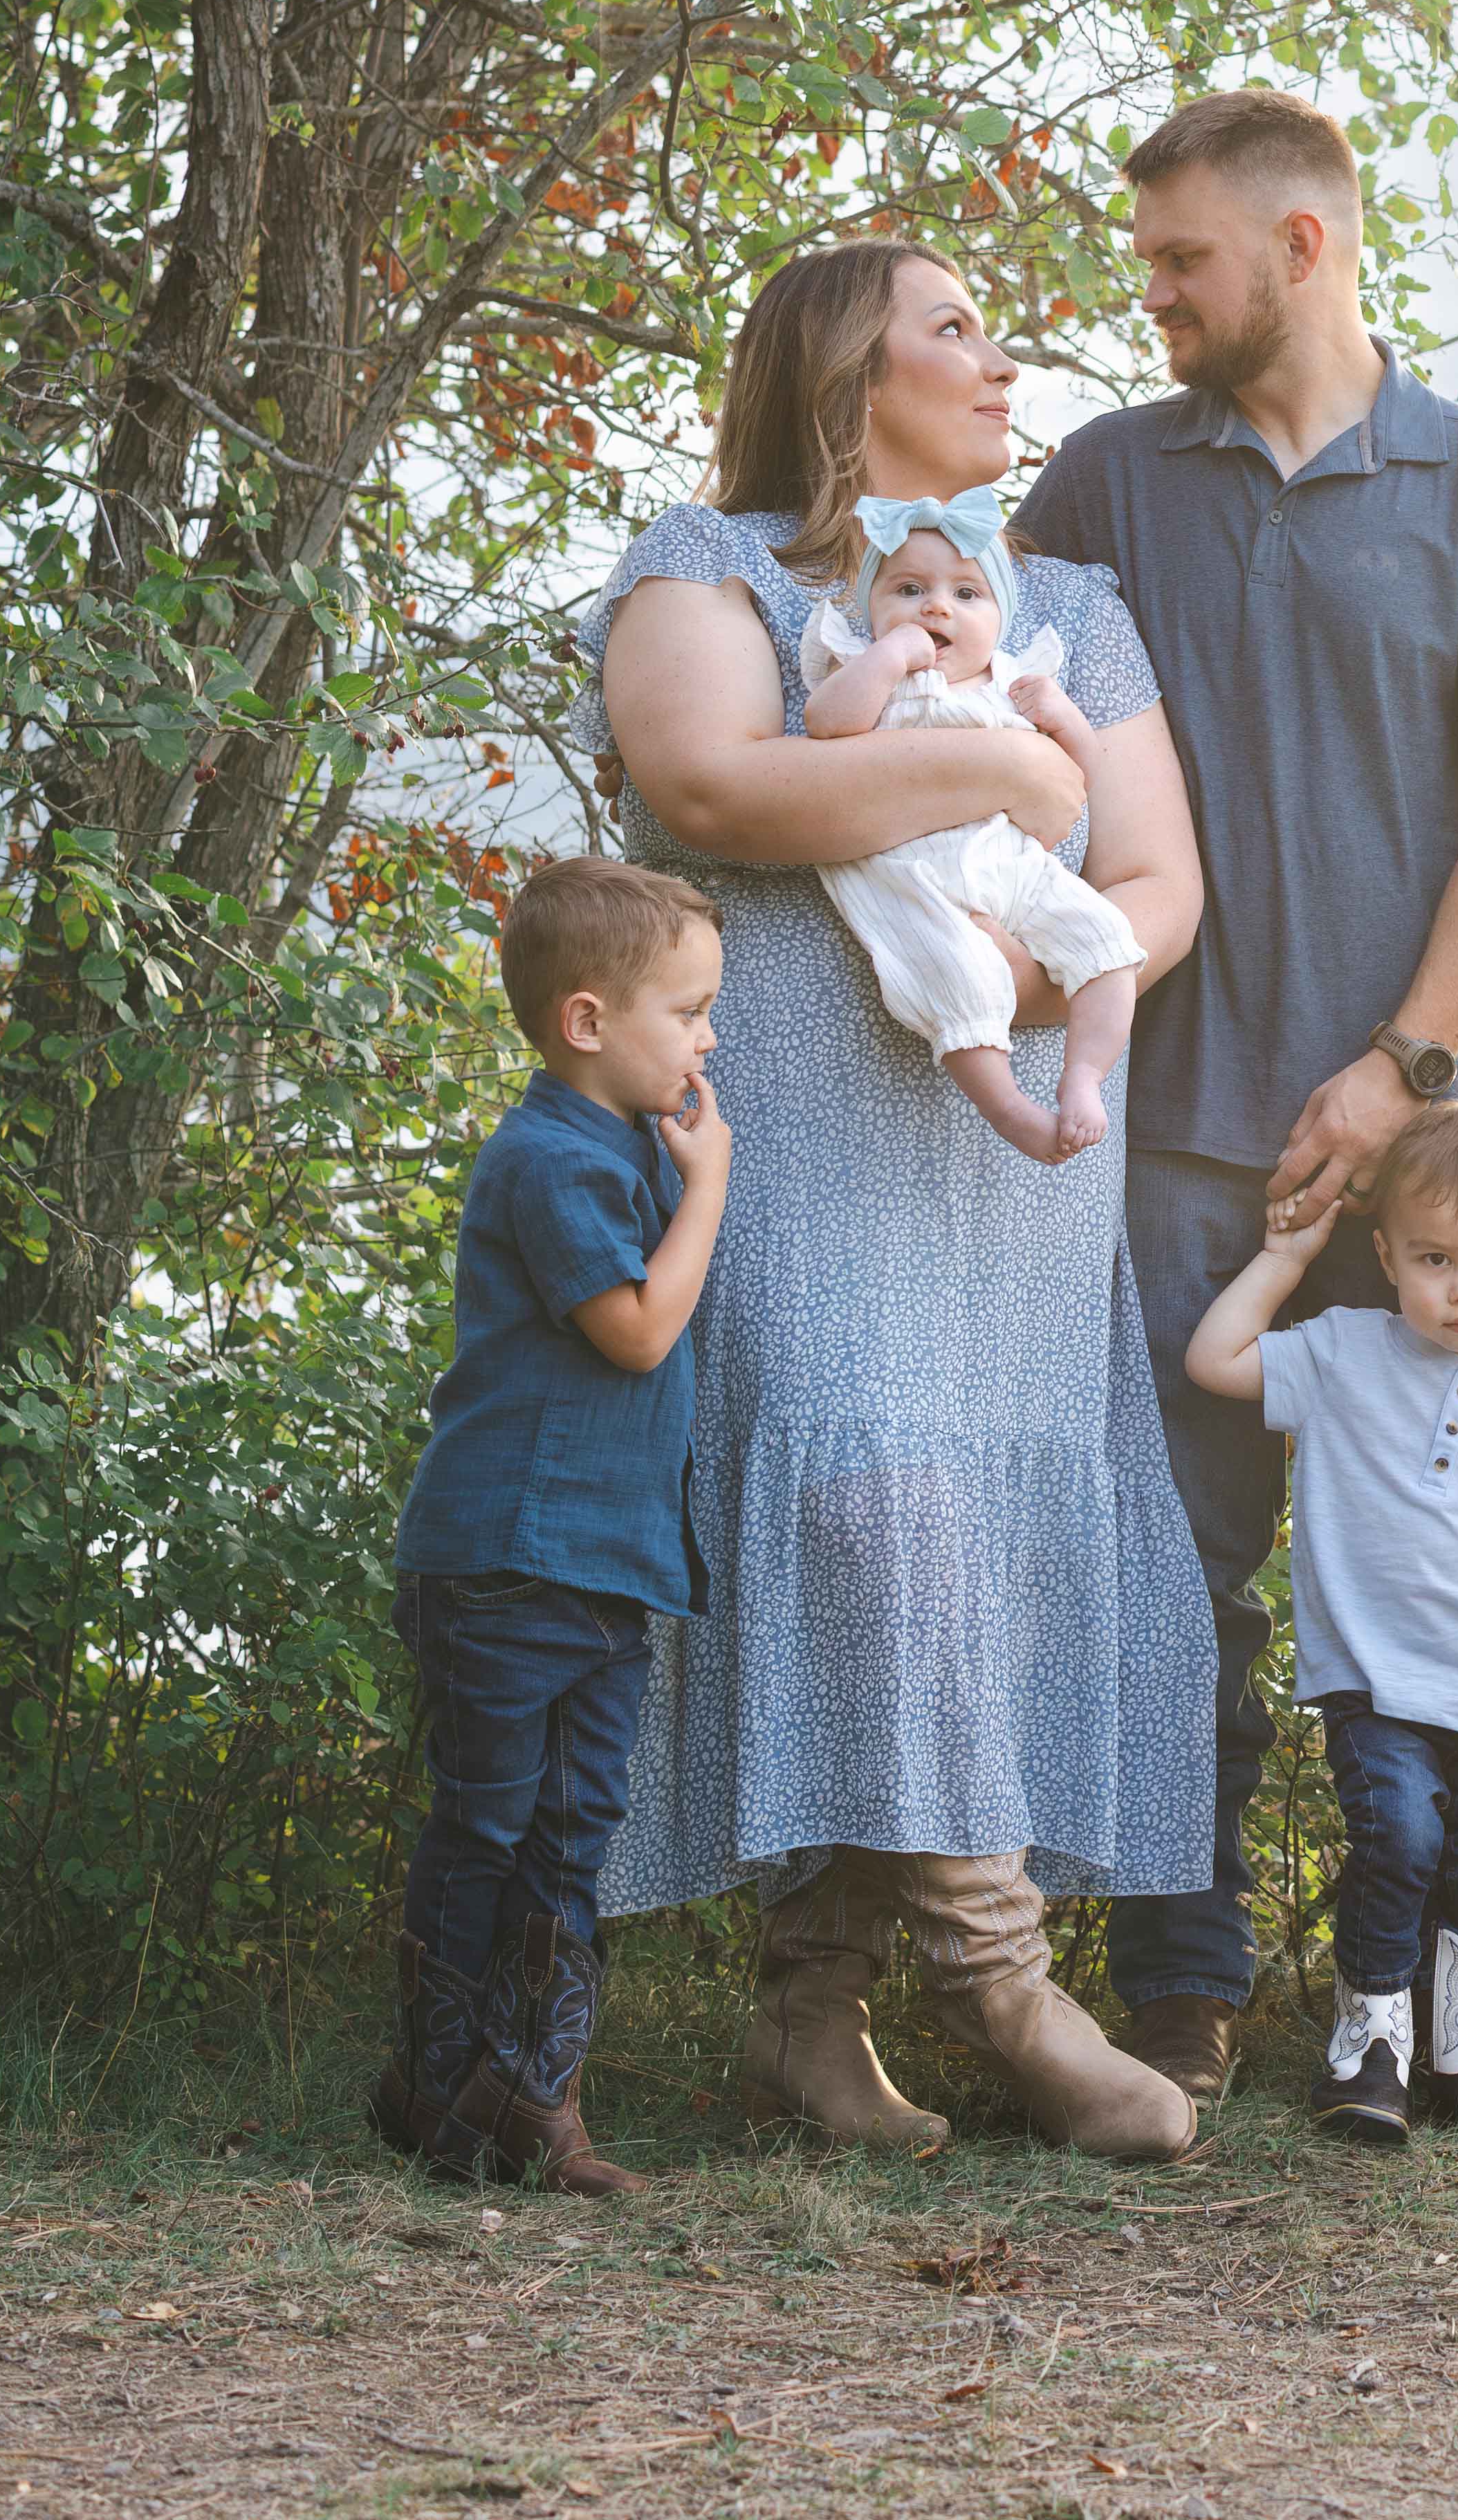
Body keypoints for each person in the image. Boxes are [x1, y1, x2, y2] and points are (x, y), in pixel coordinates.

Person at [582, 237, 1215, 2164]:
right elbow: (707, 786)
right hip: (792, 1121)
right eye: (960, 327)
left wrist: (1022, 973)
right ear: (853, 374)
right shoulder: (713, 568)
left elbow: (1162, 881)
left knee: (952, 1535)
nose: (1005, 359)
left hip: (1010, 1138)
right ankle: (1002, 1983)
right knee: (868, 1511)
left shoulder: (1073, 606)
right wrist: (1004, 784)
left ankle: (809, 2014)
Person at [1015, 89, 1458, 2099]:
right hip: (1169, 1131)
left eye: (1181, 259)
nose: (1153, 294)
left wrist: (1400, 1066)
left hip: (1429, 1166)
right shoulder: (1101, 482)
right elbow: (1004, 741)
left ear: (1303, 245)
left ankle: (1455, 2014)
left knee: (1453, 1584)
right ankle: (1179, 1990)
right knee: (1175, 1583)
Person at [372, 856, 735, 2198]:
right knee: (487, 1818)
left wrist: (684, 1175)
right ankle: (437, 2085)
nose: (707, 1038)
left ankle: (535, 2092)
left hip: (606, 1560)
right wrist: (709, 1190)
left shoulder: (636, 1146)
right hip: (507, 1555)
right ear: (587, 1020)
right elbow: (636, 1331)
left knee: (575, 1822)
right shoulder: (546, 1159)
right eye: (687, 1009)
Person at [1176, 1101, 1458, 2146]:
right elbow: (1214, 1361)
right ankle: (1371, 2043)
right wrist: (1285, 1258)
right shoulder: (1342, 1354)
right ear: (1386, 1256)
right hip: (1373, 1681)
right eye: (1435, 1258)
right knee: (1402, 1839)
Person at [795, 508, 1145, 1164]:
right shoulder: (861, 667)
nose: (935, 609)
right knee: (962, 982)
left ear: (999, 618)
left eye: (965, 594)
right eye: (907, 591)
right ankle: (1010, 1110)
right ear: (871, 608)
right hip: (912, 874)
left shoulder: (1014, 684)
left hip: (1012, 861)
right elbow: (827, 725)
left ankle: (1085, 1076)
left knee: (1110, 943)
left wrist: (1065, 720)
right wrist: (890, 655)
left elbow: (1081, 781)